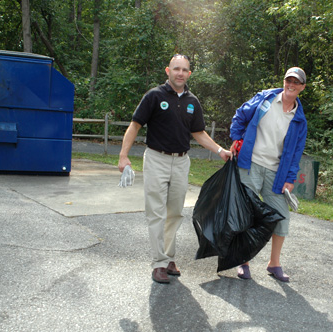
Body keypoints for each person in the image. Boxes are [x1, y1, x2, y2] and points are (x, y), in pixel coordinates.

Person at [118, 54, 232, 284]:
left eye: (184, 70)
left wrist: (220, 151)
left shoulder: (193, 101)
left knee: (175, 213)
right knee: (156, 213)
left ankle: (169, 257)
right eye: (176, 69)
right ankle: (159, 263)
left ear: (189, 74)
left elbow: (198, 133)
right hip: (156, 159)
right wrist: (123, 156)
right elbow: (135, 125)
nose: (180, 73)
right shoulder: (154, 96)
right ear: (167, 71)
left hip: (181, 162)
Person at [229, 67, 308, 282]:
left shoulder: (300, 120)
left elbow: (295, 153)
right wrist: (236, 139)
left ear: (302, 87)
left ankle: (274, 264)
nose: (291, 85)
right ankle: (243, 261)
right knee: (246, 212)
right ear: (284, 81)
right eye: (288, 80)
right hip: (251, 164)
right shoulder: (265, 98)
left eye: (296, 82)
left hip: (276, 172)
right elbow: (240, 115)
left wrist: (290, 179)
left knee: (281, 216)